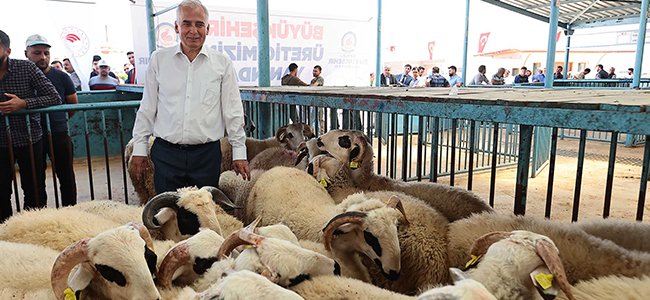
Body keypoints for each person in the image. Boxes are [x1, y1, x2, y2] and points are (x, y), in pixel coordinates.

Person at [132, 0, 250, 196]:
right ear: (177, 26)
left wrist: (239, 152)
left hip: (206, 156)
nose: (193, 30)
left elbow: (233, 110)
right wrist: (139, 147)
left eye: (199, 24)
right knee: (168, 213)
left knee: (201, 214)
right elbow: (147, 108)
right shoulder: (159, 60)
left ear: (208, 28)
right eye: (187, 23)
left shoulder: (222, 63)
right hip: (166, 154)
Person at [0, 30, 60, 221]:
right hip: (0, 144)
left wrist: (23, 104)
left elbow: (54, 97)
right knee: (1, 193)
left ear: (7, 51)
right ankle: (5, 238)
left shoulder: (26, 68)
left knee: (34, 191)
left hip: (29, 139)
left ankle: (34, 232)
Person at [24, 34, 78, 207]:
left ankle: (70, 212)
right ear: (27, 54)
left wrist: (58, 121)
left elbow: (72, 105)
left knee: (66, 176)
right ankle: (40, 215)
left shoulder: (62, 77)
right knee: (34, 178)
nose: (43, 57)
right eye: (37, 53)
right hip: (31, 135)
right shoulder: (21, 76)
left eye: (46, 53)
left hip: (59, 133)